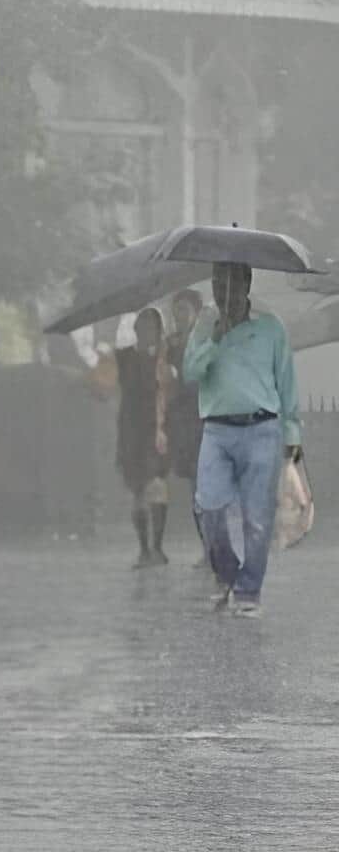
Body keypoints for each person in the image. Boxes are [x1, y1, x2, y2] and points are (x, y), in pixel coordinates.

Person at [183, 262, 300, 618]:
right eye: (217, 282)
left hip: (261, 429)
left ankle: (249, 592)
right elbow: (189, 372)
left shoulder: (270, 325)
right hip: (217, 431)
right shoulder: (205, 323)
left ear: (247, 283)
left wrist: (292, 433)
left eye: (231, 282)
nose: (223, 290)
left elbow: (286, 379)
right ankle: (230, 576)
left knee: (257, 518)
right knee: (210, 510)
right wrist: (215, 339)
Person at [114, 308, 171, 568]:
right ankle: (144, 549)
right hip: (130, 429)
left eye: (151, 328)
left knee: (156, 483)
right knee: (138, 488)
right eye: (141, 327)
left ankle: (157, 547)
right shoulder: (124, 357)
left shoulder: (164, 358)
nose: (145, 332)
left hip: (156, 427)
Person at [165, 290, 208, 565]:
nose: (179, 317)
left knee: (210, 484)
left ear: (195, 314)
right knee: (195, 486)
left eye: (184, 310)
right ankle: (207, 545)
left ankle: (219, 543)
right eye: (176, 311)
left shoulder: (205, 343)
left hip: (206, 418)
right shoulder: (169, 346)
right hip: (183, 422)